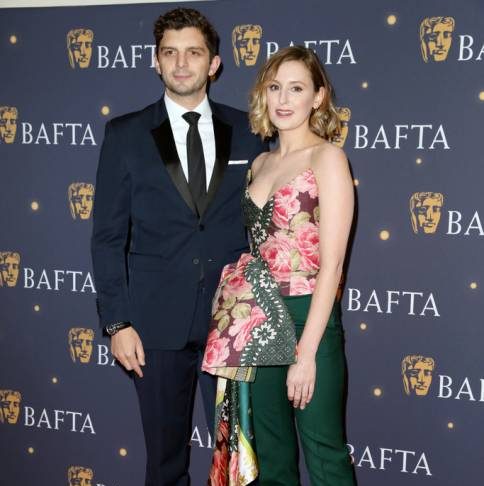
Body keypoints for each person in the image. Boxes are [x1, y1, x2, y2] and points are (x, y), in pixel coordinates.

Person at [90, 8, 266, 486]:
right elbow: (107, 237)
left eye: (193, 53)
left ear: (214, 63)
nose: (181, 63)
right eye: (170, 53)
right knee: (165, 462)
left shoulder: (250, 131)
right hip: (154, 326)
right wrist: (117, 322)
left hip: (231, 322)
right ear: (156, 61)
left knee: (237, 462)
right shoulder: (125, 134)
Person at [202, 46, 356, 485]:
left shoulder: (328, 158)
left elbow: (332, 266)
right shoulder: (260, 163)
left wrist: (306, 354)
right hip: (260, 318)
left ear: (318, 97)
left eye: (296, 88)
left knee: (324, 453)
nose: (283, 99)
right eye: (274, 88)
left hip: (310, 314)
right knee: (270, 455)